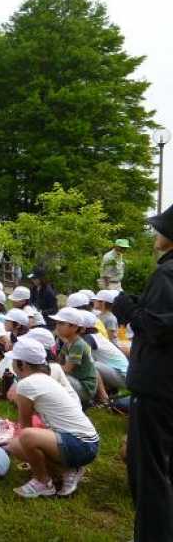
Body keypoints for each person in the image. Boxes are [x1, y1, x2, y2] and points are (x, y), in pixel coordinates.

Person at [112, 204, 173, 542]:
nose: (156, 234)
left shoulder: (167, 273)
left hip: (156, 385)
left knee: (148, 471)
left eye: (161, 229)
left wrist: (129, 309)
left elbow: (160, 329)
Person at [6, 338, 99, 498]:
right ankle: (67, 471)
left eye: (14, 360)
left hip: (80, 444)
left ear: (22, 364)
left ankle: (42, 482)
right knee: (17, 444)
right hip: (88, 443)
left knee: (25, 437)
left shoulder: (27, 384)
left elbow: (25, 425)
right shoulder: (46, 378)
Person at [51, 308, 97, 405]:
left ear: (75, 327)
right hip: (75, 380)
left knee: (54, 376)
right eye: (57, 323)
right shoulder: (68, 343)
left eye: (61, 324)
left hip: (85, 387)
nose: (57, 327)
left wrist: (49, 368)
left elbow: (67, 369)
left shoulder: (78, 345)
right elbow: (59, 362)